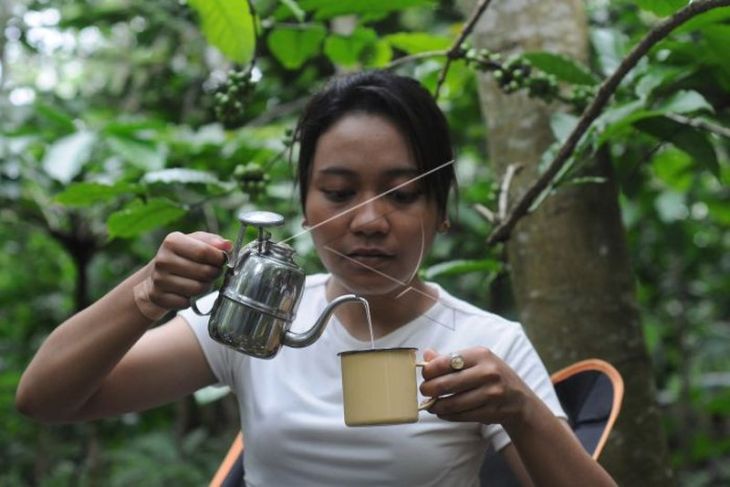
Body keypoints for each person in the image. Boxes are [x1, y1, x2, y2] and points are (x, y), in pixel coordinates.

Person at [16, 70, 616, 486]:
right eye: (338, 192)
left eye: (402, 194)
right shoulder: (255, 320)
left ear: (441, 213)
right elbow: (46, 400)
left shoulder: (487, 345)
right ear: (305, 208)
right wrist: (144, 293)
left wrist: (519, 410)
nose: (369, 220)